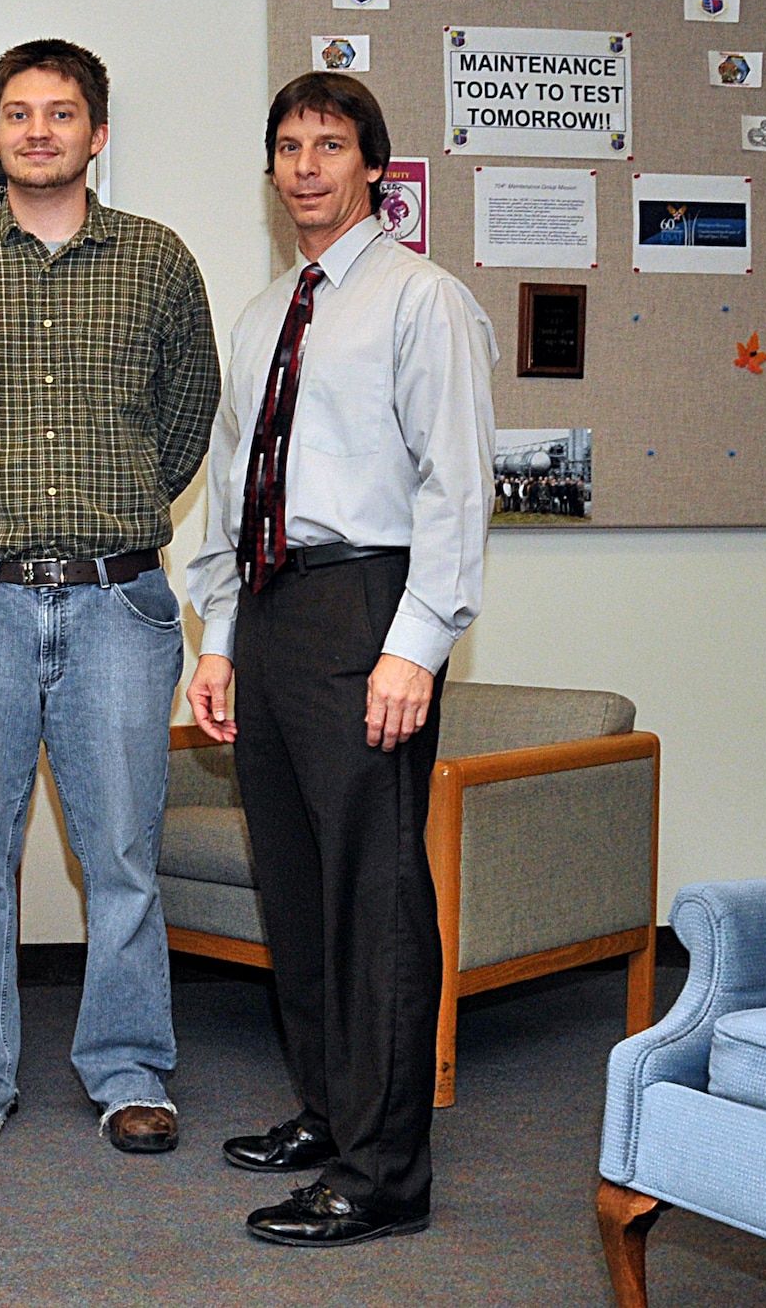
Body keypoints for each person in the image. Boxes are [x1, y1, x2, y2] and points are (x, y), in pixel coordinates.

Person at [184, 72, 497, 1247]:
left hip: (368, 606)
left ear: (372, 163)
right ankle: (325, 1109)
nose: (305, 164)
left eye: (328, 144)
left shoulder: (423, 302)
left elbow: (454, 491)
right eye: (285, 145)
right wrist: (217, 641)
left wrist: (411, 649)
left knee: (371, 898)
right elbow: (228, 487)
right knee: (297, 887)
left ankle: (384, 1174)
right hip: (268, 612)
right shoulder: (267, 312)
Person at [0, 40, 220, 1152]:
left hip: (116, 602)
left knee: (122, 856)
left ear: (96, 133)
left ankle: (128, 1068)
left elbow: (184, 424)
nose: (40, 131)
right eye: (19, 114)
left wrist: (107, 509)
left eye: (62, 113)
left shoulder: (158, 262)